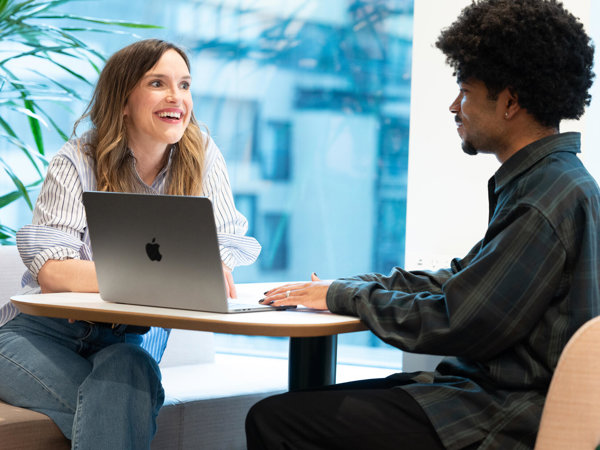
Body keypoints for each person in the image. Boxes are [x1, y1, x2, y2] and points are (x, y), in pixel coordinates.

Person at [245, 1, 600, 449]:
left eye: (466, 92)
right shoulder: (554, 182)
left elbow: (460, 319)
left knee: (277, 421)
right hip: (496, 399)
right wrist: (354, 284)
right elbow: (463, 281)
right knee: (300, 409)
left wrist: (346, 295)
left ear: (510, 101)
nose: (455, 106)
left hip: (505, 415)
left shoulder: (544, 200)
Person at [0, 39, 260, 449]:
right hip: (34, 338)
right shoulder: (78, 159)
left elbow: (226, 243)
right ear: (123, 100)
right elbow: (52, 271)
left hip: (124, 345)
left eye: (185, 85)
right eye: (158, 83)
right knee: (124, 405)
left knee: (131, 368)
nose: (177, 96)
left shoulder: (202, 155)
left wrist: (209, 265)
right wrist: (174, 273)